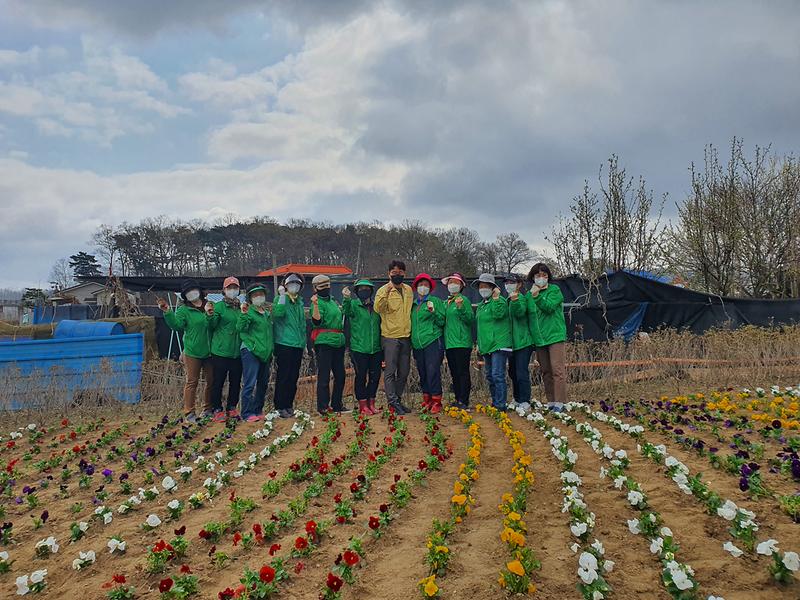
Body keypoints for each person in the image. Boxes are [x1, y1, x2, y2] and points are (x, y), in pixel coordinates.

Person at [159, 279, 213, 422]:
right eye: (188, 292)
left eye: (193, 289)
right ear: (185, 295)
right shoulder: (184, 310)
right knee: (192, 381)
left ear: (200, 290)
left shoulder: (210, 305)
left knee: (211, 381)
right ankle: (190, 412)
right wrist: (168, 312)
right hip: (192, 351)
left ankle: (208, 409)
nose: (192, 293)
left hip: (210, 351)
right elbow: (176, 326)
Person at [374, 260, 414, 415]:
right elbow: (378, 308)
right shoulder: (383, 290)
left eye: (400, 272)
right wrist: (387, 292)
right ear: (389, 274)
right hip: (390, 336)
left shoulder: (408, 290)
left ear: (404, 273)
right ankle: (392, 402)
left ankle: (397, 399)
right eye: (394, 272)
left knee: (404, 372)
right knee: (390, 372)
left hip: (406, 336)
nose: (397, 275)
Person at [528, 263, 568, 411]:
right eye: (538, 275)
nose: (541, 278)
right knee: (545, 371)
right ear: (533, 277)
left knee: (557, 370)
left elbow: (549, 307)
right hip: (539, 338)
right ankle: (551, 401)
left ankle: (560, 402)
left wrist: (537, 297)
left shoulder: (554, 290)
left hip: (554, 336)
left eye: (544, 275)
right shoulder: (529, 295)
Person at [342, 279, 382, 416]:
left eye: (367, 288)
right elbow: (346, 311)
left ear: (371, 291)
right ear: (357, 291)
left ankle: (372, 403)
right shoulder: (354, 305)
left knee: (375, 377)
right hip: (359, 348)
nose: (364, 291)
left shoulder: (376, 307)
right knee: (361, 377)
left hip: (376, 348)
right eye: (361, 289)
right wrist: (346, 299)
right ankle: (363, 405)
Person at [472, 273, 512, 411]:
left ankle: (501, 405)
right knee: (490, 375)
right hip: (486, 345)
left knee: (497, 375)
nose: (483, 289)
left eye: (486, 286)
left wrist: (495, 298)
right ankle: (495, 403)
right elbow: (480, 327)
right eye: (481, 286)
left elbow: (498, 314)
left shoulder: (500, 301)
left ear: (493, 288)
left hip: (499, 344)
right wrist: (479, 344)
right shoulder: (481, 306)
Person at [310, 274, 349, 415]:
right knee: (324, 375)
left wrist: (346, 299)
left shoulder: (333, 302)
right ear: (315, 288)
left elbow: (343, 314)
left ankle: (337, 404)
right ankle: (323, 406)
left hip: (338, 341)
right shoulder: (317, 302)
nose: (325, 288)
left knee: (340, 375)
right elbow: (317, 321)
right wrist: (315, 305)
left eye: (327, 285)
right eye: (322, 286)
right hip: (325, 342)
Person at [208, 276, 243, 422]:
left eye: (235, 288)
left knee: (235, 382)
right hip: (221, 351)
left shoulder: (241, 307)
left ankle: (232, 407)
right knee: (218, 382)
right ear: (224, 290)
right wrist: (210, 315)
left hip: (237, 351)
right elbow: (211, 325)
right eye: (229, 288)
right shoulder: (219, 307)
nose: (232, 290)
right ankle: (216, 408)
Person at [237, 283, 274, 422]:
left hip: (265, 352)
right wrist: (243, 314)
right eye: (255, 295)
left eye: (261, 294)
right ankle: (246, 412)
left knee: (263, 383)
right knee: (250, 383)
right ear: (250, 298)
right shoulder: (248, 311)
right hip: (250, 350)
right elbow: (240, 327)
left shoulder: (266, 313)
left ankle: (258, 409)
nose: (259, 297)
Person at [272, 273, 306, 418]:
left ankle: (288, 405)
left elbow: (302, 324)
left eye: (297, 284)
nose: (294, 286)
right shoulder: (281, 299)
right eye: (291, 284)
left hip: (297, 344)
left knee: (293, 377)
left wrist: (303, 343)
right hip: (284, 343)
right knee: (284, 376)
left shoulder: (299, 302)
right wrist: (281, 297)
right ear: (285, 286)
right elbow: (278, 314)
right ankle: (279, 406)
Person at [410, 273, 446, 413]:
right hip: (417, 344)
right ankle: (427, 399)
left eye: (426, 285)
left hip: (432, 341)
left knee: (433, 371)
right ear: (416, 287)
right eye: (420, 285)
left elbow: (442, 321)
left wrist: (434, 312)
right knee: (423, 372)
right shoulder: (413, 304)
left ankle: (437, 400)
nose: (423, 287)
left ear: (430, 288)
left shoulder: (435, 301)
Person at [442, 272, 474, 410]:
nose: (452, 285)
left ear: (461, 286)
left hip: (462, 342)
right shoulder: (446, 303)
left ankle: (464, 400)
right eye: (450, 282)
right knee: (454, 372)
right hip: (449, 343)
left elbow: (470, 319)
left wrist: (461, 308)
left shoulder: (463, 300)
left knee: (462, 372)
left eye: (456, 283)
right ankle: (457, 399)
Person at [505, 273, 535, 412]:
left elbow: (520, 312)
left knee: (521, 371)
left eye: (512, 282)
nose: (508, 285)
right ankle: (516, 398)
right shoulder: (507, 300)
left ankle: (525, 400)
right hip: (511, 343)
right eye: (506, 283)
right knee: (512, 372)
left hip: (523, 342)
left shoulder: (521, 298)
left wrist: (515, 301)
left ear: (519, 284)